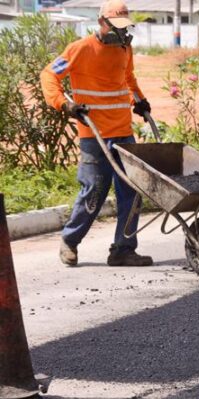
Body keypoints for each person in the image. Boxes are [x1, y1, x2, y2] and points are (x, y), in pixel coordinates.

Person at [41, 0, 153, 267]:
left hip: (123, 132)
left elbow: (129, 78)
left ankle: (123, 249)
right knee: (94, 190)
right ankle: (69, 240)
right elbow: (49, 75)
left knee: (131, 190)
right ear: (102, 23)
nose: (122, 33)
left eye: (126, 28)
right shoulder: (80, 49)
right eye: (117, 27)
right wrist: (64, 103)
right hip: (94, 134)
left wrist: (140, 100)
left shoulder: (125, 48)